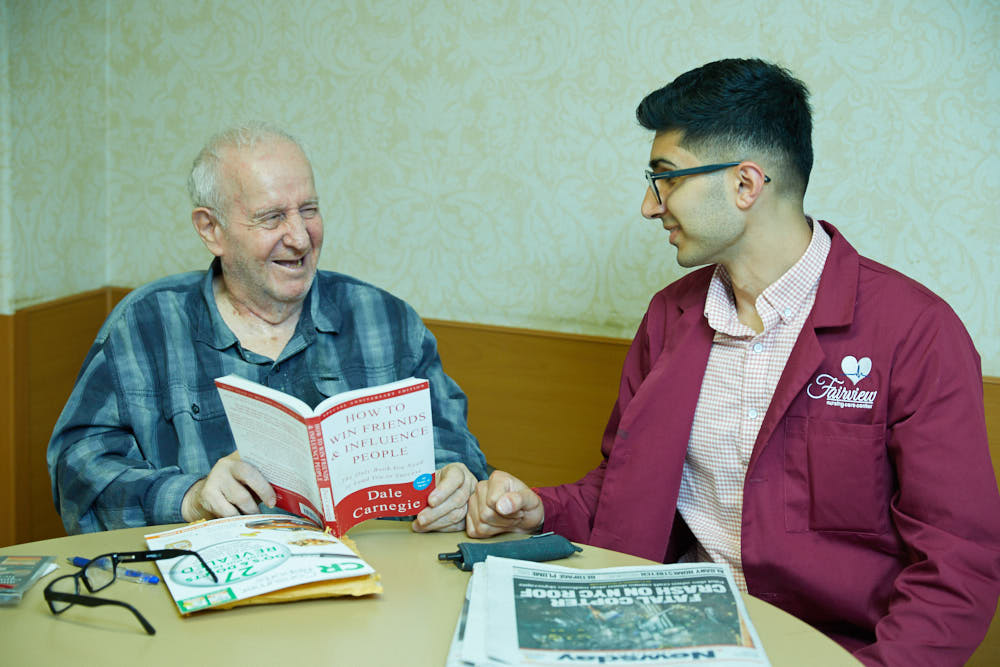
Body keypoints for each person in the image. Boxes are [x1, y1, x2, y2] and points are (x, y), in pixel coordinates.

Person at [465, 59, 1000, 665]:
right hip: (670, 639)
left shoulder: (914, 332)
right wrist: (540, 509)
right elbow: (623, 491)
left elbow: (958, 569)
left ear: (745, 184)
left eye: (664, 178)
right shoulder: (669, 319)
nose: (648, 205)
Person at [48, 122, 488, 535]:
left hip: (374, 587)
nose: (299, 237)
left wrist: (456, 483)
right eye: (272, 217)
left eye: (308, 210)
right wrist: (188, 498)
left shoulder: (387, 321)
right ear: (211, 230)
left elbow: (456, 447)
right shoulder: (145, 326)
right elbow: (77, 469)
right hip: (211, 593)